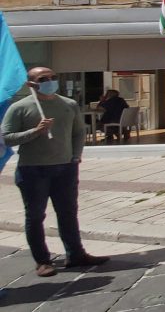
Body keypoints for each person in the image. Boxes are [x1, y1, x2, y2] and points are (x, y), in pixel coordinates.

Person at [0, 67, 108, 277]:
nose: (50, 81)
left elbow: (78, 133)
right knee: (35, 216)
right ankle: (42, 261)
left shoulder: (68, 104)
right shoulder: (20, 108)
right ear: (32, 84)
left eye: (53, 77)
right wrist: (35, 132)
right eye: (43, 79)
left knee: (68, 213)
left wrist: (76, 156)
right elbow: (7, 137)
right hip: (33, 170)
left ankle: (75, 254)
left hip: (65, 168)